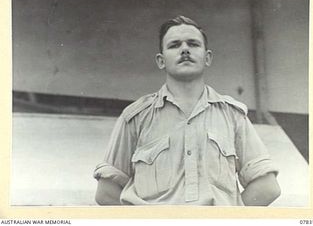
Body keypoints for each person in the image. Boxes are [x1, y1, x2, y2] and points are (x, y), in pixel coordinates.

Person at [93, 15, 281, 206]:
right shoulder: (135, 117)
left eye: (193, 44)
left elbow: (267, 187)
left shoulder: (233, 116)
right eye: (174, 45)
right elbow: (106, 193)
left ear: (207, 58)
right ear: (161, 61)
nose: (184, 49)